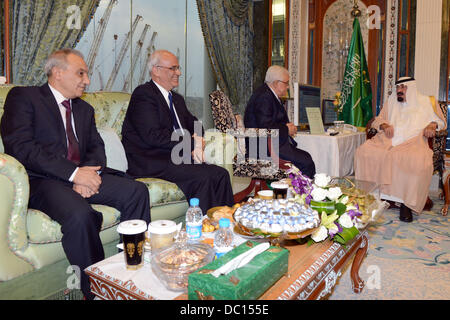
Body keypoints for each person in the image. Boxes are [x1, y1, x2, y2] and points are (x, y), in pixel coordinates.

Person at [0, 48, 151, 300]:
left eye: (87, 74)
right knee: (80, 215)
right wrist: (73, 175)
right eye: (81, 73)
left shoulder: (84, 109)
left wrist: (86, 175)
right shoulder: (24, 98)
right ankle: (98, 292)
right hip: (42, 181)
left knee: (136, 192)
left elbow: (95, 147)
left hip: (82, 177)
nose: (87, 80)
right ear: (57, 73)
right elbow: (22, 147)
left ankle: (132, 269)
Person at [121, 49, 234, 214]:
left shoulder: (177, 99)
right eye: (173, 68)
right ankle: (203, 230)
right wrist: (190, 143)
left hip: (175, 157)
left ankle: (226, 224)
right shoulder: (144, 94)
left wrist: (198, 140)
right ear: (156, 70)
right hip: (150, 159)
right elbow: (153, 136)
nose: (178, 72)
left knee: (221, 174)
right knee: (203, 177)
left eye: (178, 68)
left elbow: (195, 123)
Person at [354, 77, 446, 222]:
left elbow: (441, 122)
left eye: (403, 87)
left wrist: (432, 125)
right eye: (398, 87)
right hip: (388, 140)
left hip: (414, 142)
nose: (399, 90)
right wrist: (384, 125)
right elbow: (378, 119)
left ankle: (406, 203)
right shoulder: (391, 102)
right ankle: (369, 197)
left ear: (412, 88)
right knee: (364, 151)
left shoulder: (427, 102)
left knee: (414, 159)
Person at [244, 65, 316, 178]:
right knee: (305, 161)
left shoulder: (268, 94)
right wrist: (286, 129)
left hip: (269, 145)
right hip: (262, 148)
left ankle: (297, 191)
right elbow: (265, 127)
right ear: (277, 83)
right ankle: (303, 194)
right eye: (286, 83)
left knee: (305, 157)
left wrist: (287, 127)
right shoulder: (264, 97)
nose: (287, 87)